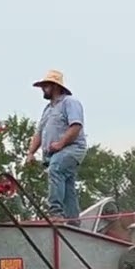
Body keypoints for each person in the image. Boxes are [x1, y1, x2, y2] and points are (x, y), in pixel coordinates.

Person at [25, 69, 87, 223]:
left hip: (72, 149)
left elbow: (76, 126)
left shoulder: (70, 102)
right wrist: (31, 153)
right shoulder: (48, 109)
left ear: (56, 86)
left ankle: (55, 213)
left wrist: (61, 143)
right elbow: (39, 133)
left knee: (56, 169)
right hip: (57, 153)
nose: (43, 89)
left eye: (46, 86)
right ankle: (73, 221)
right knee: (67, 185)